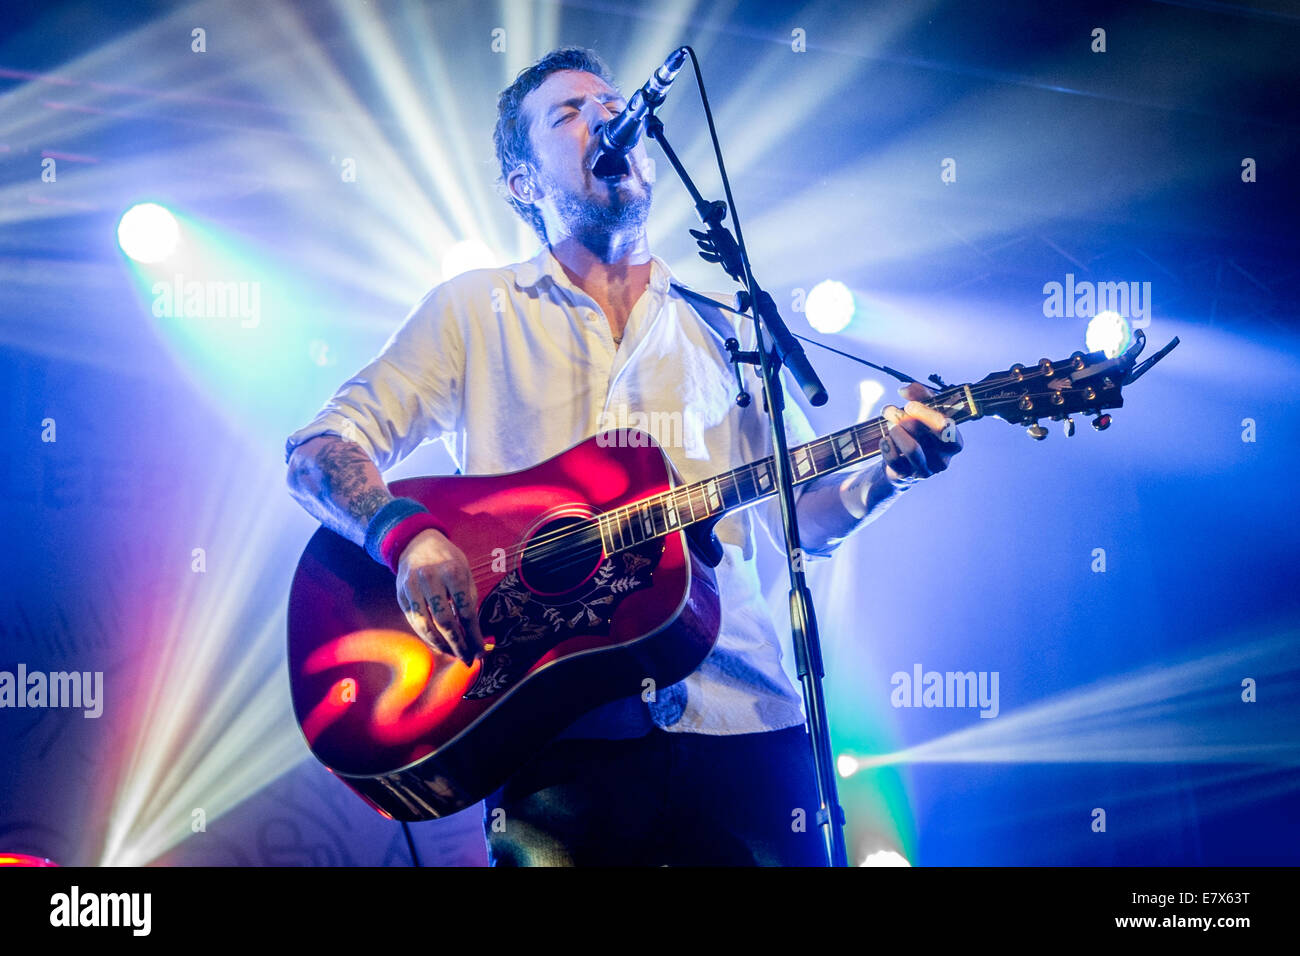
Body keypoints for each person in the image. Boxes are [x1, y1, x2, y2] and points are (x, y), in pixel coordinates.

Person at [284, 47, 962, 866]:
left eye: (612, 106)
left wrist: (888, 470)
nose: (605, 118)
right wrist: (406, 537)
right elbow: (318, 451)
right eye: (567, 114)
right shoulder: (475, 309)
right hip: (558, 739)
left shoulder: (725, 327)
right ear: (523, 184)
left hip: (747, 720)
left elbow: (801, 523)